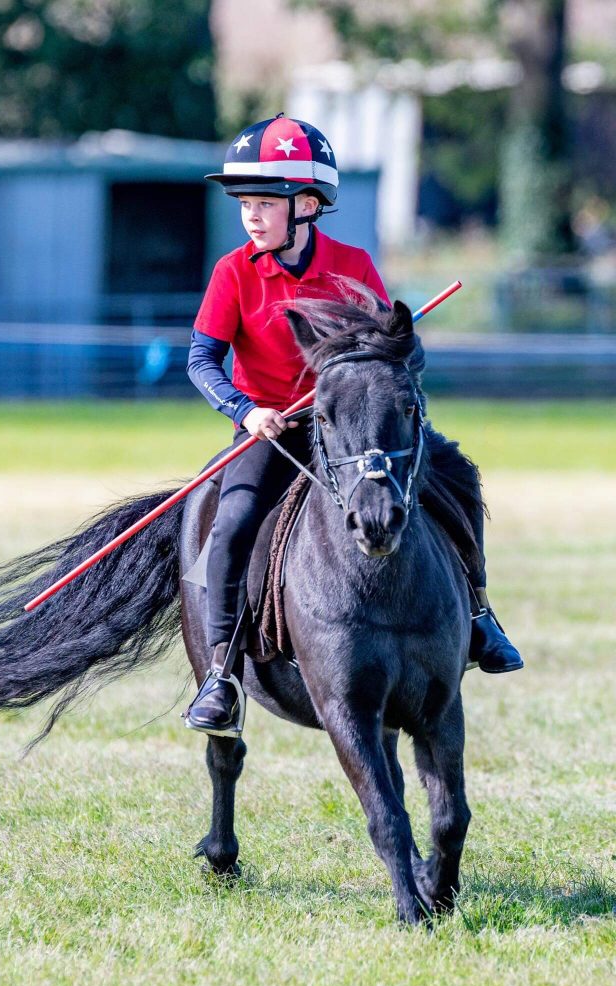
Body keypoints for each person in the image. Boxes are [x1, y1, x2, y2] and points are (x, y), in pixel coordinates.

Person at [185, 114, 522, 735]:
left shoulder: (353, 265)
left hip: (356, 430)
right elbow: (201, 360)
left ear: (307, 205)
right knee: (230, 525)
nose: (250, 215)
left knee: (459, 478)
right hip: (272, 431)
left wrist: (399, 345)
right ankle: (221, 674)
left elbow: (401, 356)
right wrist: (245, 410)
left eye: (265, 202)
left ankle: (478, 615)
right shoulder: (233, 273)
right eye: (244, 203)